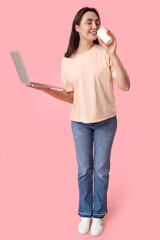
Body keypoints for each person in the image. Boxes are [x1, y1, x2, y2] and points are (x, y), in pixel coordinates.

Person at [26, 6, 130, 237]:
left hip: (106, 121)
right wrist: (46, 91)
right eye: (89, 22)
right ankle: (85, 212)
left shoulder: (104, 53)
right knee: (84, 170)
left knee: (101, 170)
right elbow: (71, 96)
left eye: (97, 22)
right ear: (77, 28)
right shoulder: (68, 60)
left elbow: (125, 85)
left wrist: (113, 52)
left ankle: (98, 214)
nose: (94, 26)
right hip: (80, 123)